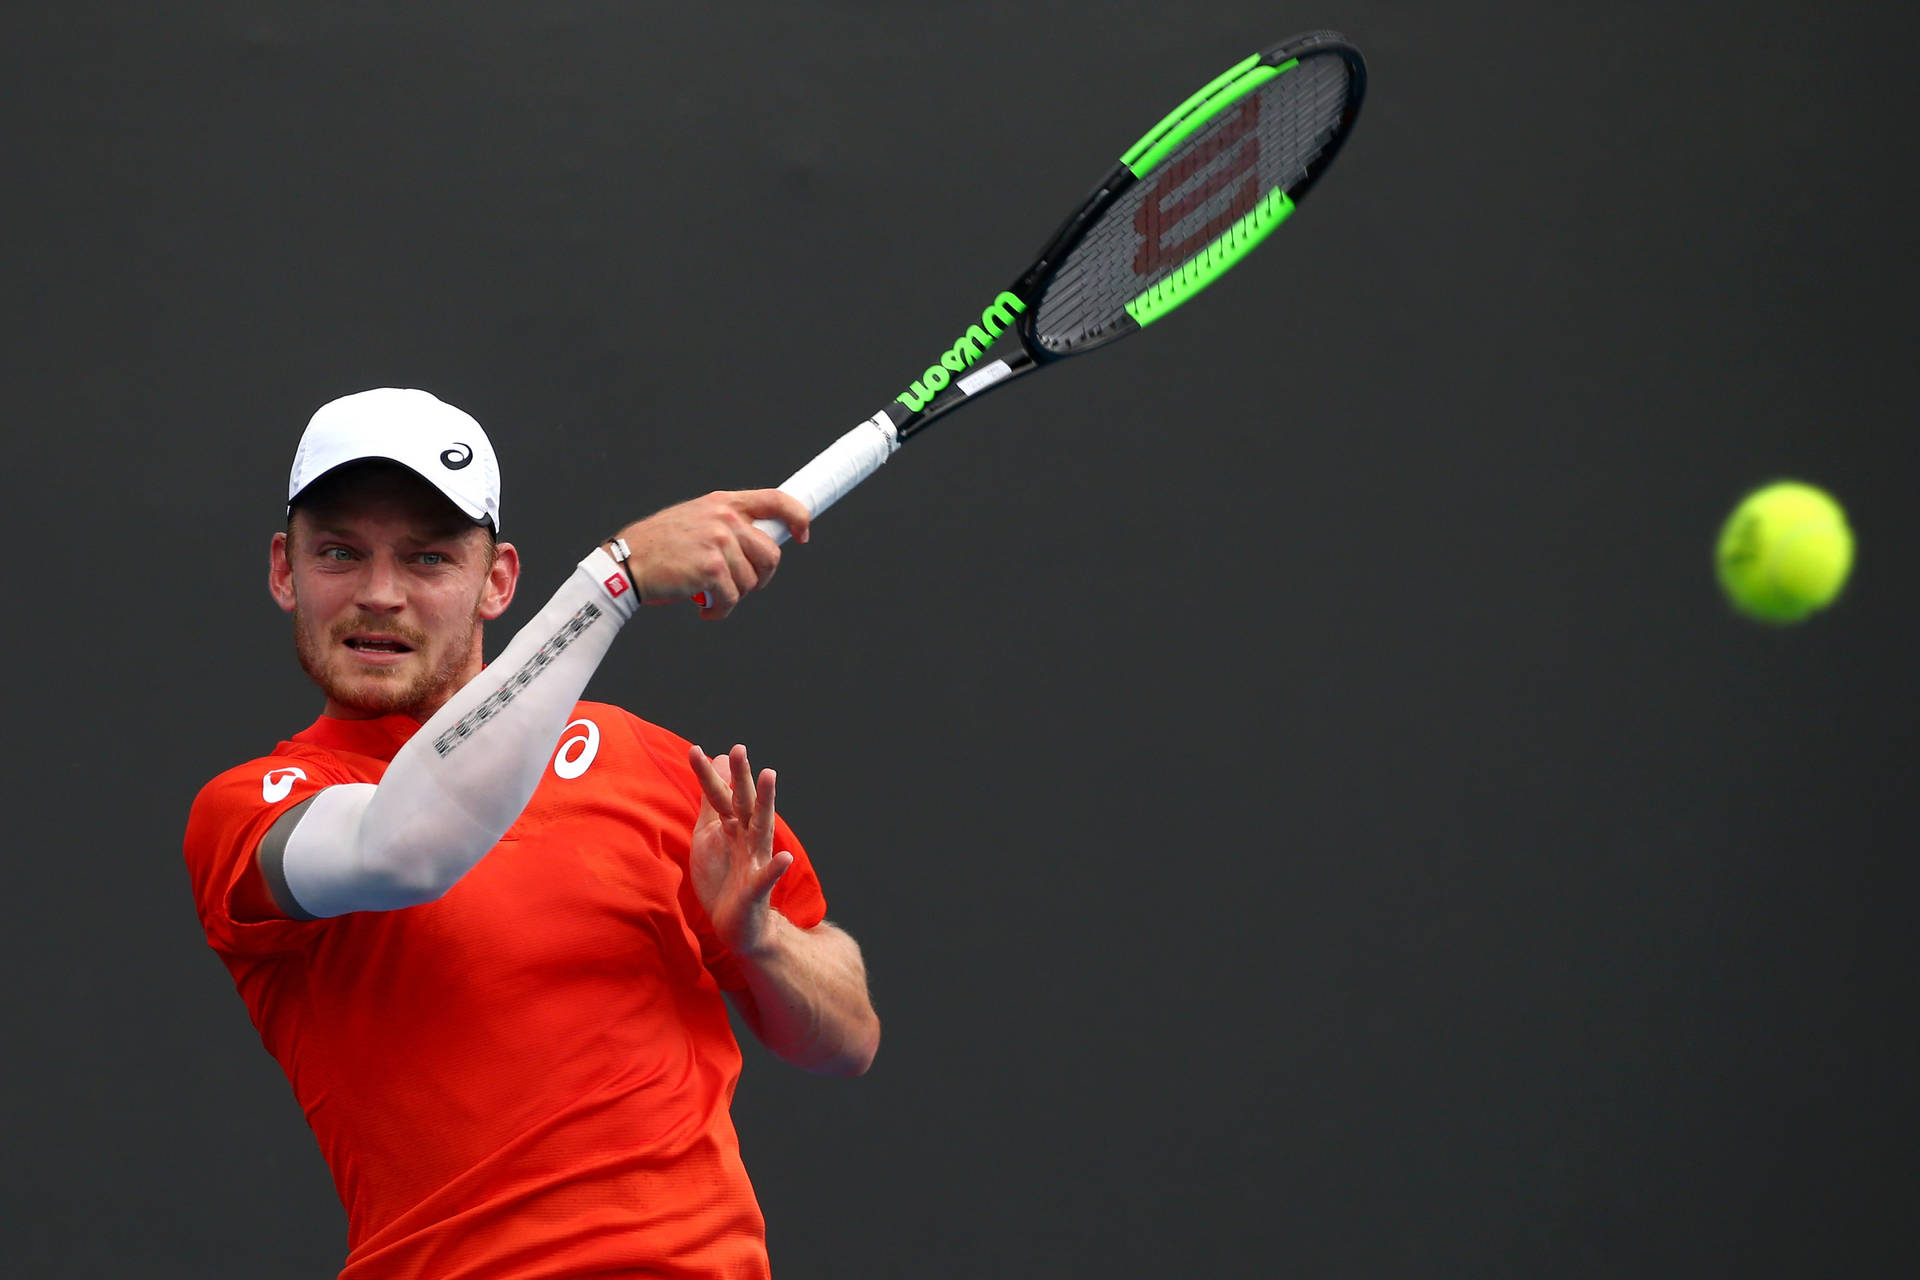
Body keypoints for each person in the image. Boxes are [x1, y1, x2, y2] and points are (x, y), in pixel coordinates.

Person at [183, 387, 880, 1279]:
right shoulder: (253, 808)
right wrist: (612, 583)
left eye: (429, 559)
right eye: (340, 554)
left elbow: (849, 1037)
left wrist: (762, 941)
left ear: (499, 582)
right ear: (285, 572)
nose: (380, 594)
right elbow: (407, 845)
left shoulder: (651, 764)